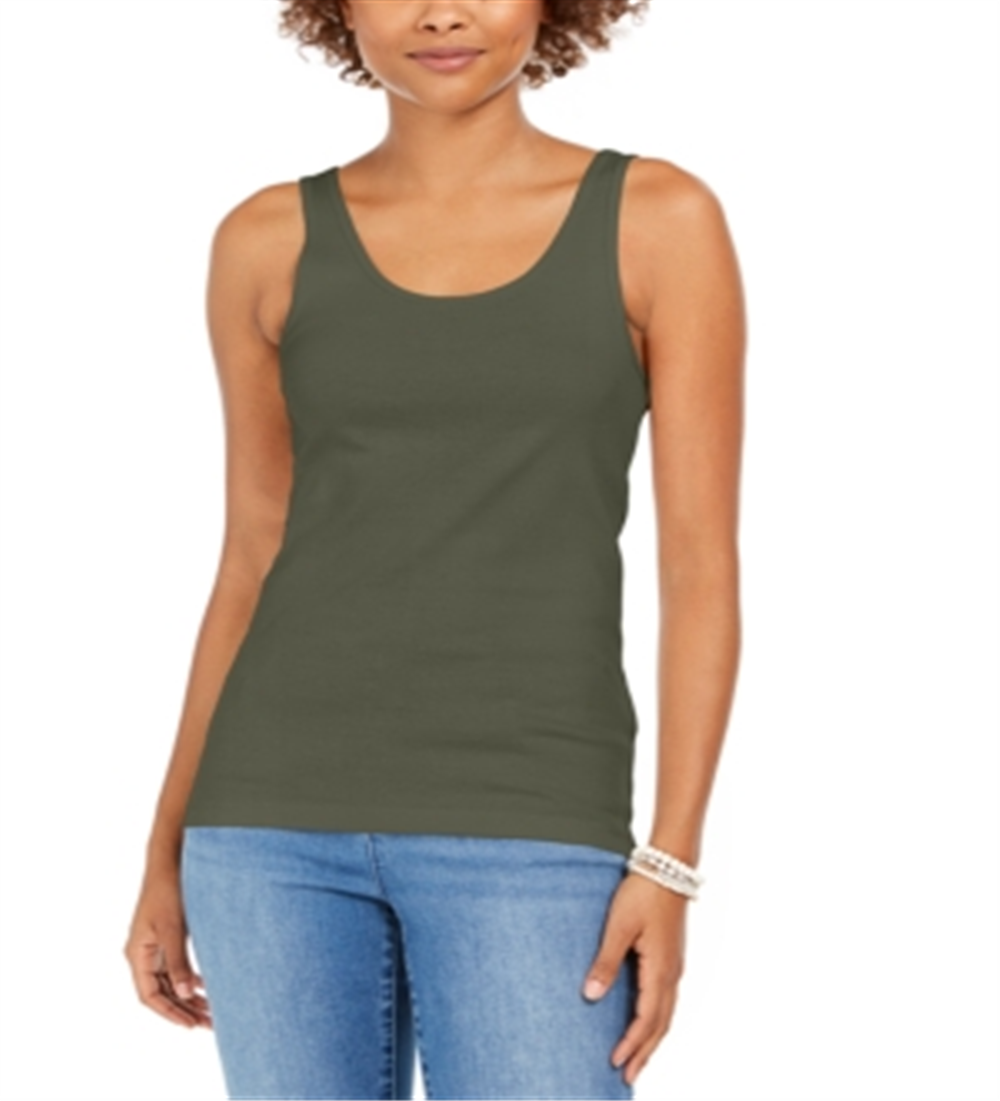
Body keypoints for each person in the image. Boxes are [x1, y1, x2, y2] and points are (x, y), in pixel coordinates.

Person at [123, 0, 745, 1096]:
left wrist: (670, 860)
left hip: (533, 826)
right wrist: (164, 847)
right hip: (266, 831)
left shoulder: (658, 219)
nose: (443, 12)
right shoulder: (266, 240)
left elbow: (699, 569)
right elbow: (251, 556)